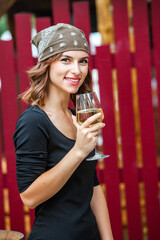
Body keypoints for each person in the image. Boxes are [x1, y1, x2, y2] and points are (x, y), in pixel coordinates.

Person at [13, 23, 114, 240]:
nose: (77, 70)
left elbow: (93, 186)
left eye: (83, 61)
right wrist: (78, 151)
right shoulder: (33, 121)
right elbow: (29, 197)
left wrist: (108, 238)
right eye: (65, 59)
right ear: (46, 65)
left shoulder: (76, 116)